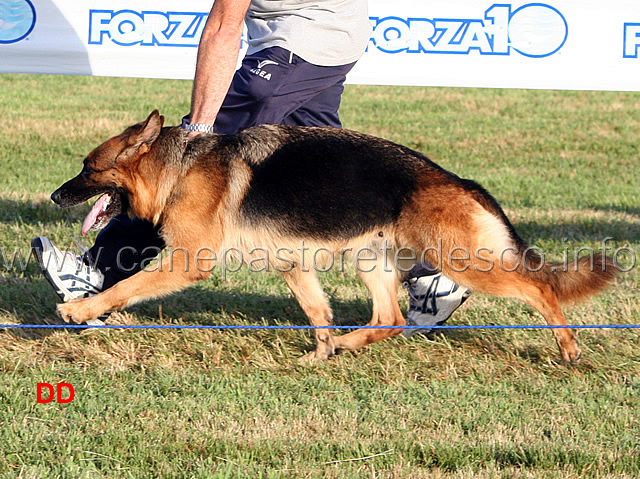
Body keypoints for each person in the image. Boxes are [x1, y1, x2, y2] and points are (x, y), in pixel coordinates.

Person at [32, 0, 469, 332]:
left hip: (307, 36)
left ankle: (98, 272)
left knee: (181, 165)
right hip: (332, 31)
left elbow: (223, 28)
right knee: (324, 165)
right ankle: (429, 277)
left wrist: (200, 126)